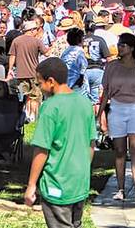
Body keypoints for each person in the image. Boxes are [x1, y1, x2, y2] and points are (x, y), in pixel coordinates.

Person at [24, 58, 96, 228]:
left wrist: (31, 184)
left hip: (56, 183)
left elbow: (42, 150)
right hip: (80, 183)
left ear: (51, 82)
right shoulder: (85, 103)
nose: (39, 87)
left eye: (39, 82)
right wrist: (84, 169)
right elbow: (91, 144)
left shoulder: (50, 107)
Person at [97, 33, 135, 202]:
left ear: (132, 48)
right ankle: (120, 188)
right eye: (119, 45)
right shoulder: (112, 66)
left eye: (123, 45)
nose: (120, 48)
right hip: (117, 108)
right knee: (120, 150)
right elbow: (106, 91)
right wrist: (101, 114)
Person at [8, 20, 49, 121]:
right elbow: (46, 53)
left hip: (21, 74)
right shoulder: (37, 41)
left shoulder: (16, 41)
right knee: (35, 96)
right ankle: (33, 117)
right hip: (34, 73)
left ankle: (26, 116)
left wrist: (10, 69)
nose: (37, 31)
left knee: (26, 96)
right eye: (36, 29)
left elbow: (12, 56)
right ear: (31, 30)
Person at [60, 28, 89, 97]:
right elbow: (83, 68)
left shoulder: (65, 52)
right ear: (80, 40)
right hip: (77, 85)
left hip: (66, 83)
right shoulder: (79, 51)